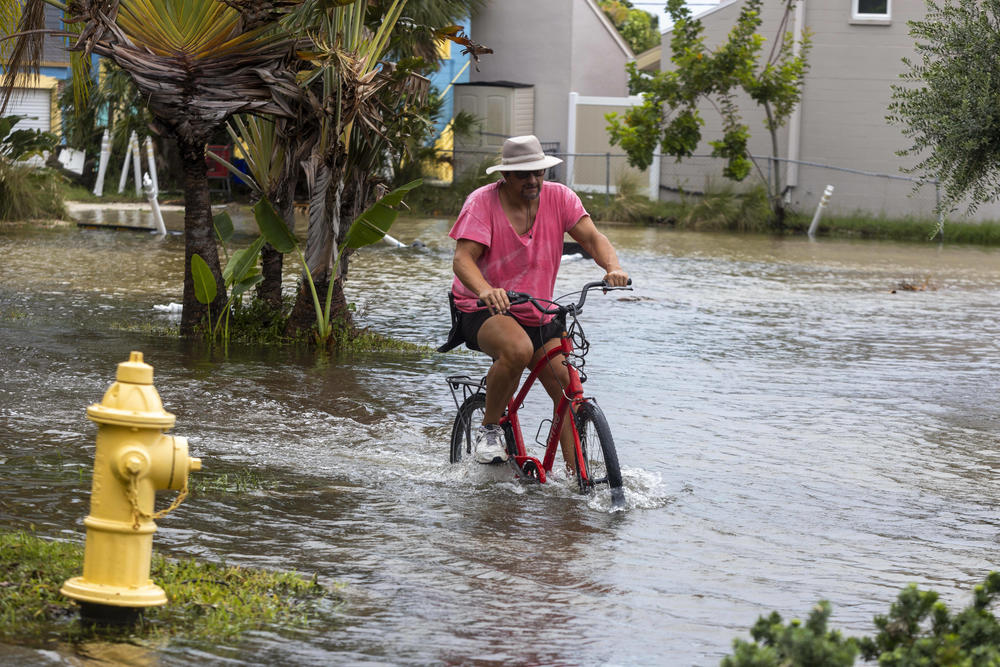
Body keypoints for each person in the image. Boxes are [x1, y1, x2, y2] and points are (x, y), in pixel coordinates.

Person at [439, 135, 629, 467]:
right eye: (524, 174)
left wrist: (613, 267)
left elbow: (593, 238)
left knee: (568, 393)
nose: (533, 180)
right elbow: (463, 260)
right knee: (517, 349)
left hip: (537, 310)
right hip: (483, 307)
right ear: (505, 176)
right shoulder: (481, 203)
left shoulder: (561, 198)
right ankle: (490, 429)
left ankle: (577, 481)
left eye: (538, 173)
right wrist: (485, 289)